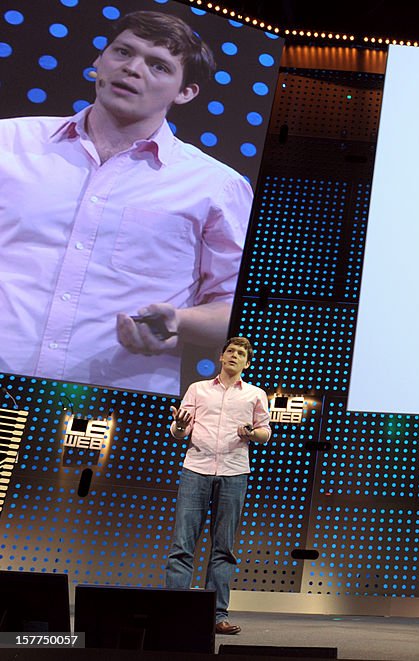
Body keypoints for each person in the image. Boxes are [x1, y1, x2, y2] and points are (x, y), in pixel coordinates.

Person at [0, 10, 253, 395]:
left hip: (114, 404)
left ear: (185, 92)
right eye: (122, 52)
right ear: (97, 62)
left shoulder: (216, 186)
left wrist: (180, 321)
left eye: (158, 66)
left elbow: (236, 307)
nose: (132, 69)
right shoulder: (10, 142)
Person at [165, 336, 271, 635]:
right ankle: (173, 613)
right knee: (182, 545)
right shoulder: (197, 389)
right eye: (231, 351)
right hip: (196, 469)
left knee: (223, 548)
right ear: (221, 357)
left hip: (234, 473)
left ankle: (216, 616)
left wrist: (252, 433)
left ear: (246, 362)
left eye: (241, 353)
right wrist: (181, 426)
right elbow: (178, 432)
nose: (235, 356)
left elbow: (265, 432)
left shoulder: (255, 394)